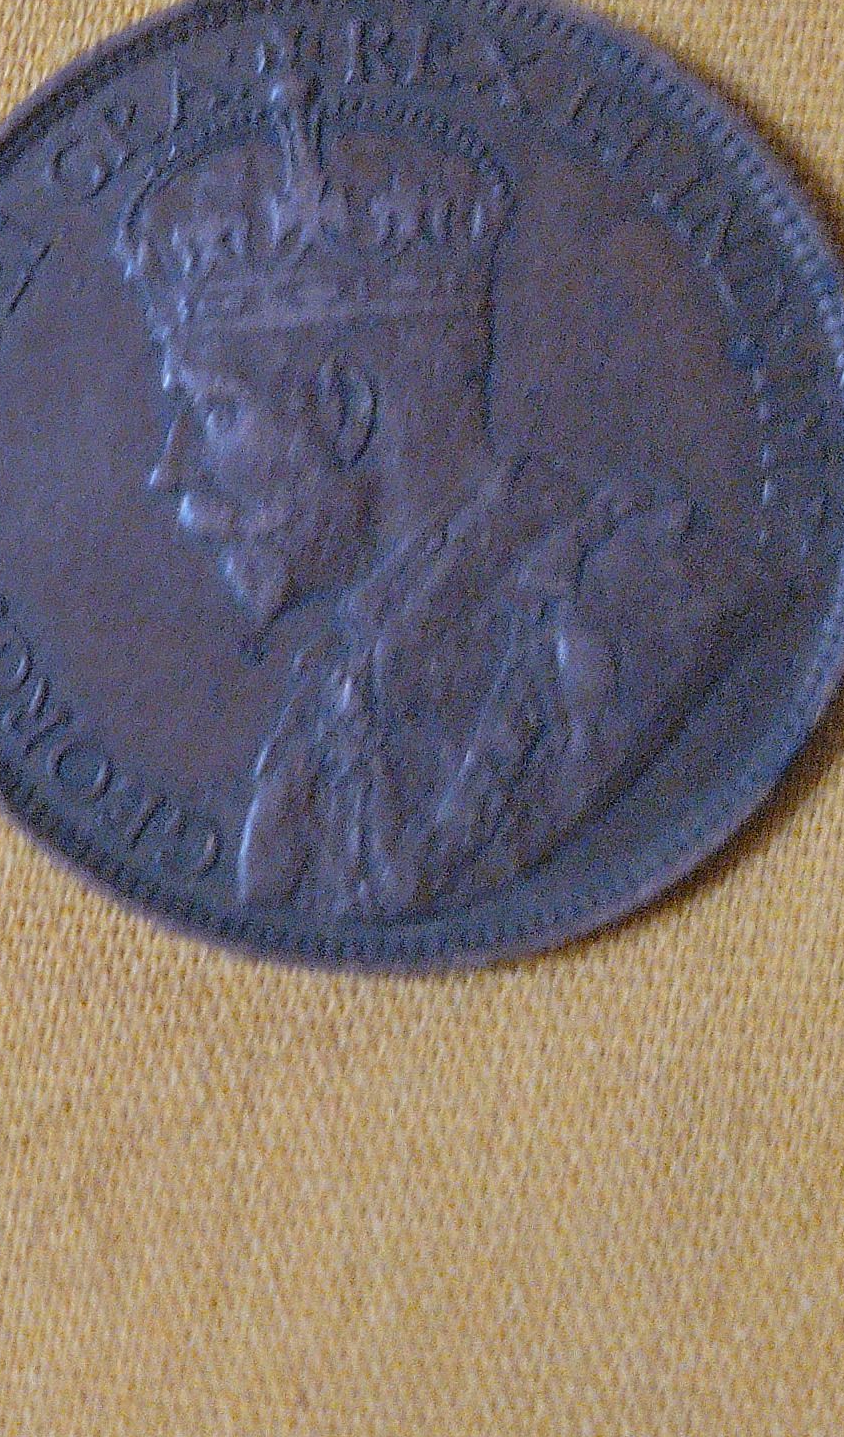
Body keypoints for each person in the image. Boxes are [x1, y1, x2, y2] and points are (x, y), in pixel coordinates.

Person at [120, 83, 770, 923]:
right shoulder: (344, 673)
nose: (170, 471)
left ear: (344, 411)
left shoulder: (642, 600)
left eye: (216, 412)